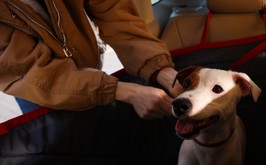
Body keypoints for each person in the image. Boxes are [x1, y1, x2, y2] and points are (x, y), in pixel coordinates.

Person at [0, 0, 181, 119]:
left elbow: (116, 15)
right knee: (62, 157)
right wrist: (127, 92)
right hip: (37, 88)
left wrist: (160, 70)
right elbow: (29, 71)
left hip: (91, 73)